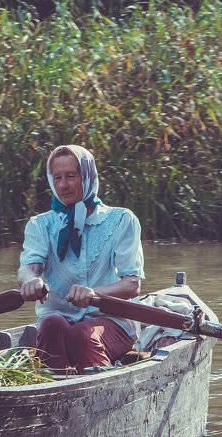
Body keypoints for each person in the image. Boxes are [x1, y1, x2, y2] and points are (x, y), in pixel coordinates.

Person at [17, 144, 144, 372]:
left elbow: (132, 284)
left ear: (87, 176)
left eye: (71, 177)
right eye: (57, 178)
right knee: (51, 324)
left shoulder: (122, 220)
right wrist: (29, 281)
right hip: (58, 323)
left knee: (81, 335)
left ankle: (104, 390)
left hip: (112, 322)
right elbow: (29, 267)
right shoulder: (40, 224)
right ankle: (54, 385)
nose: (63, 185)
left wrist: (95, 294)